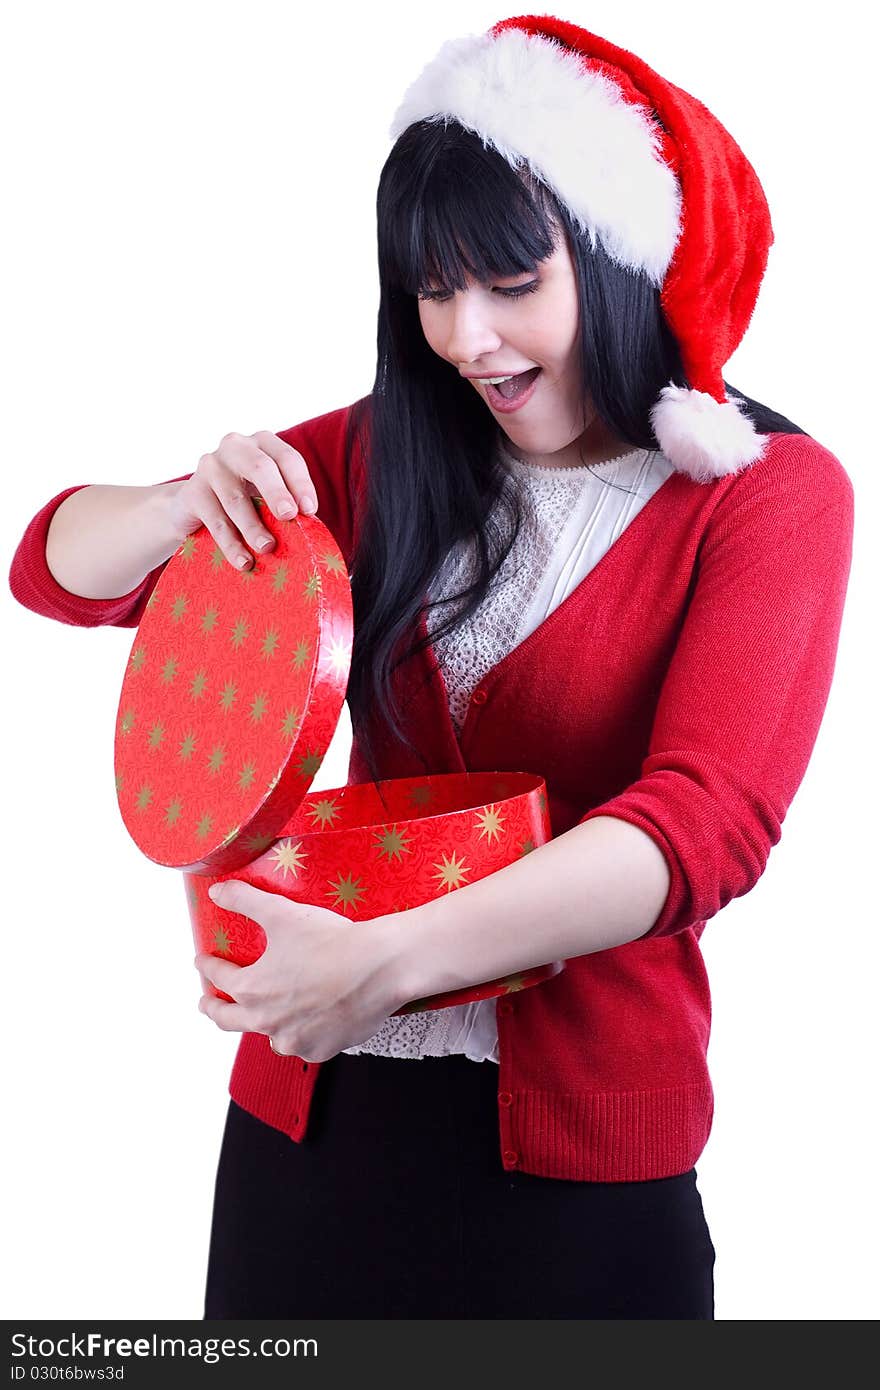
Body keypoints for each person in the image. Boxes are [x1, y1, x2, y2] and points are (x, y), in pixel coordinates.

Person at [7, 14, 854, 1320]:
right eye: (433, 285)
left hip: (580, 1175)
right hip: (313, 1129)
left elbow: (705, 825)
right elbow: (57, 567)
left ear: (620, 255)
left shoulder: (761, 493)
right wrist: (187, 502)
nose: (466, 338)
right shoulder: (379, 452)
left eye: (513, 282)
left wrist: (390, 961)